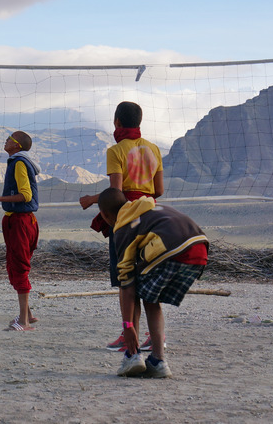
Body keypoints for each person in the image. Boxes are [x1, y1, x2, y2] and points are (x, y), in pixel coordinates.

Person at [79, 101, 163, 352]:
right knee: (147, 275)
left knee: (126, 280)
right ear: (139, 122)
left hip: (126, 220)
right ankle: (154, 337)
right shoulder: (154, 149)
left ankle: (129, 335)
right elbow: (159, 190)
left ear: (117, 122)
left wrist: (91, 199)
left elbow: (116, 192)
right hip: (151, 218)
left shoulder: (115, 151)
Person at [97, 187, 208, 378]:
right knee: (149, 297)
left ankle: (133, 355)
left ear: (104, 215)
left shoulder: (124, 227)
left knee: (134, 287)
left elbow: (126, 282)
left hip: (170, 247)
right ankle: (157, 360)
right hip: (199, 248)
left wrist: (127, 326)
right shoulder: (145, 208)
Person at [0, 131, 40, 331]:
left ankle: (23, 322)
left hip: (21, 222)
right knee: (15, 266)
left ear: (17, 146)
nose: (6, 140)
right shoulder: (18, 162)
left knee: (20, 268)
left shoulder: (20, 163)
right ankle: (28, 315)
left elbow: (25, 195)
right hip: (20, 221)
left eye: (9, 139)